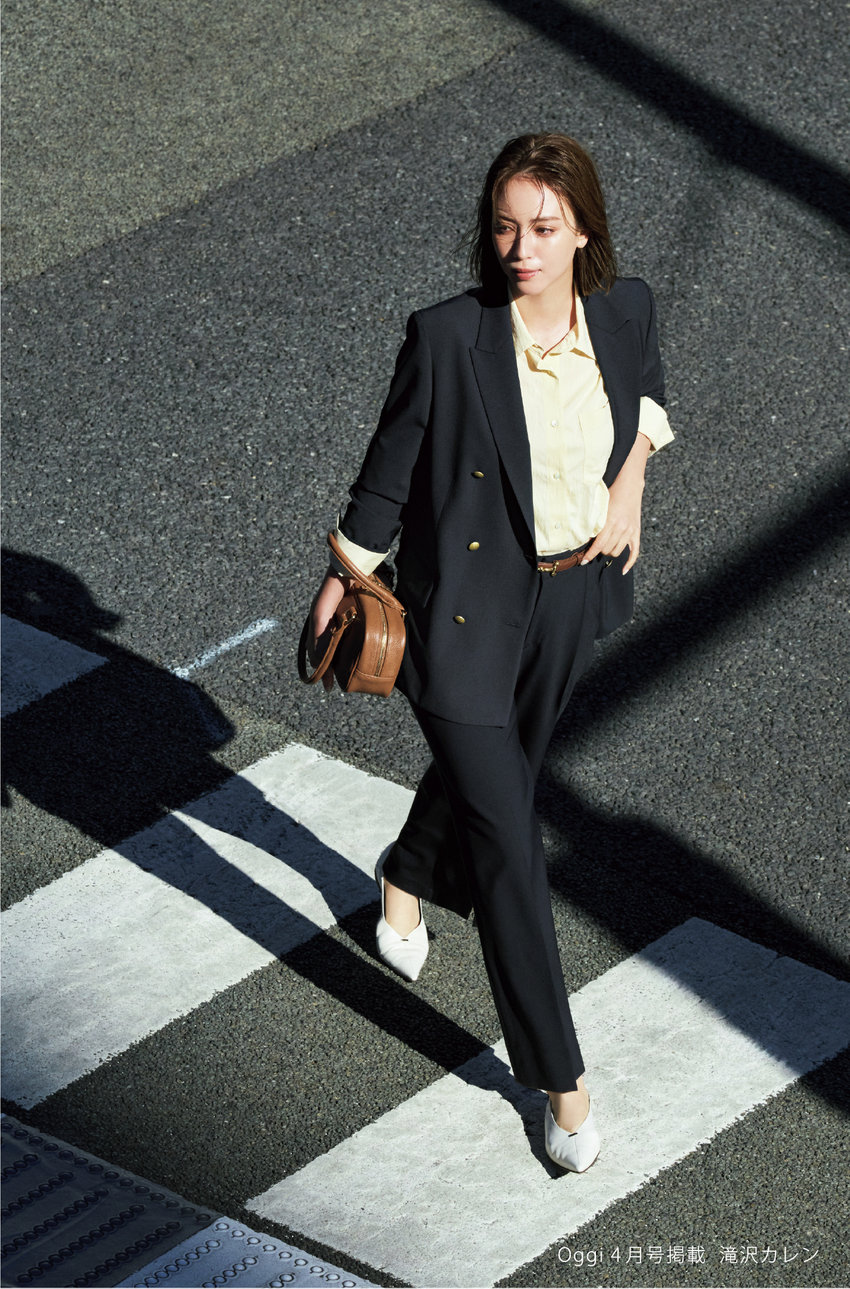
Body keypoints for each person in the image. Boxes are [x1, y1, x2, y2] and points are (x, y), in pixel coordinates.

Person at [309, 132, 673, 1172]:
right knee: (512, 840)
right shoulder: (448, 336)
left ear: (583, 232)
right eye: (506, 227)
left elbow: (646, 391)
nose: (521, 248)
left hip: (568, 598)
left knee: (493, 785)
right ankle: (561, 1085)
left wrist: (631, 477)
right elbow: (389, 468)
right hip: (461, 614)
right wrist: (341, 574)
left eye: (544, 228)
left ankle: (406, 869)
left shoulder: (625, 309)